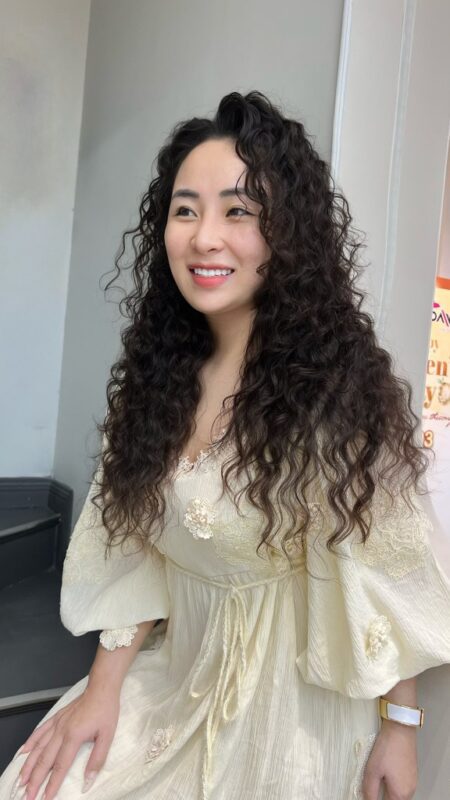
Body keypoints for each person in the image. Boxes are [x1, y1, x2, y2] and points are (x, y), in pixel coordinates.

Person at [2, 90, 450, 800]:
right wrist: (101, 689)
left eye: (238, 211)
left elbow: (388, 569)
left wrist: (401, 728)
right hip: (180, 671)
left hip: (292, 707)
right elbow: (132, 545)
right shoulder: (157, 380)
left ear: (286, 232)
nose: (205, 237)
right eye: (185, 210)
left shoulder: (333, 391)